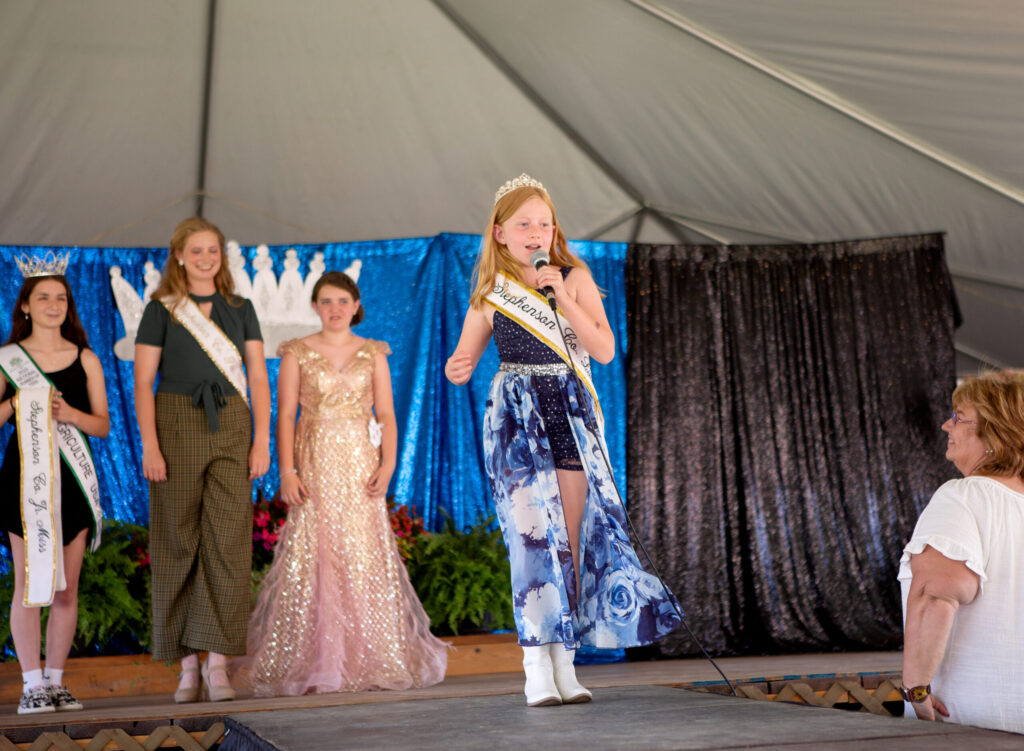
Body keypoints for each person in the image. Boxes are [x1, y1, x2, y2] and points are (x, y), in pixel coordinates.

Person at [445, 174, 680, 706]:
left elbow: (604, 350)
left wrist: (563, 298)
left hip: (568, 413)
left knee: (570, 542)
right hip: (516, 420)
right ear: (499, 232)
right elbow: (463, 358)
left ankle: (565, 662)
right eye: (523, 224)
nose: (536, 233)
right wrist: (458, 368)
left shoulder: (573, 278)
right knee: (531, 539)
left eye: (544, 224)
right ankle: (535, 663)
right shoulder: (491, 291)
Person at [243, 270, 447, 695]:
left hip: (359, 467)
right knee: (316, 555)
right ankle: (319, 660)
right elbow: (285, 415)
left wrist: (388, 465)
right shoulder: (297, 352)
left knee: (361, 554)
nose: (334, 309)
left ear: (356, 306)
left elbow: (386, 414)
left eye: (342, 301)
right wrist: (287, 471)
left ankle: (368, 656)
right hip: (316, 463)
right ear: (314, 306)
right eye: (326, 301)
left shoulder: (373, 352)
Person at [134, 217, 271, 703]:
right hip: (175, 420)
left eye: (213, 250)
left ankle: (218, 665)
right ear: (178, 255)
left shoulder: (241, 308)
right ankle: (186, 665)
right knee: (177, 540)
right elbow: (143, 382)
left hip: (231, 420)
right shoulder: (160, 310)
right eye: (196, 251)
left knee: (227, 543)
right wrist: (150, 445)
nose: (205, 258)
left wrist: (262, 440)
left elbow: (258, 375)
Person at [0, 262, 109, 714]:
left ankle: (55, 681)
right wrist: (15, 402)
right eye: (43, 297)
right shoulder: (8, 359)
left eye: (60, 298)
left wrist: (70, 415)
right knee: (30, 585)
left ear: (69, 306)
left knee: (66, 588)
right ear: (25, 305)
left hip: (72, 481)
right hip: (25, 482)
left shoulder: (86, 358)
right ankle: (31, 685)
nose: (53, 305)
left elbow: (101, 425)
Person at [899, 370, 1024, 734]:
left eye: (958, 417)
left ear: (995, 430)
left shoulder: (962, 498)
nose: (945, 425)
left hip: (971, 722)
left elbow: (934, 597)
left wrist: (916, 689)